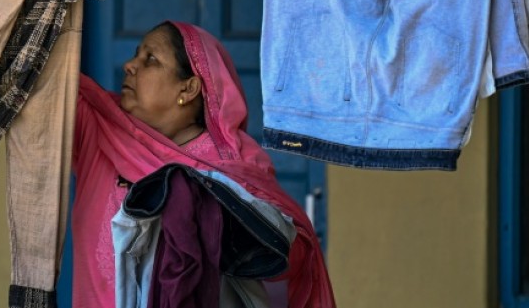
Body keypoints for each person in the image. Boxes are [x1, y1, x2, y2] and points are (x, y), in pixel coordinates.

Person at [72, 21, 335, 307]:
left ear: (189, 87)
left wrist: (207, 208)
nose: (129, 66)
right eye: (137, 55)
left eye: (150, 59)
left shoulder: (234, 164)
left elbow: (289, 253)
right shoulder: (99, 130)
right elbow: (43, 88)